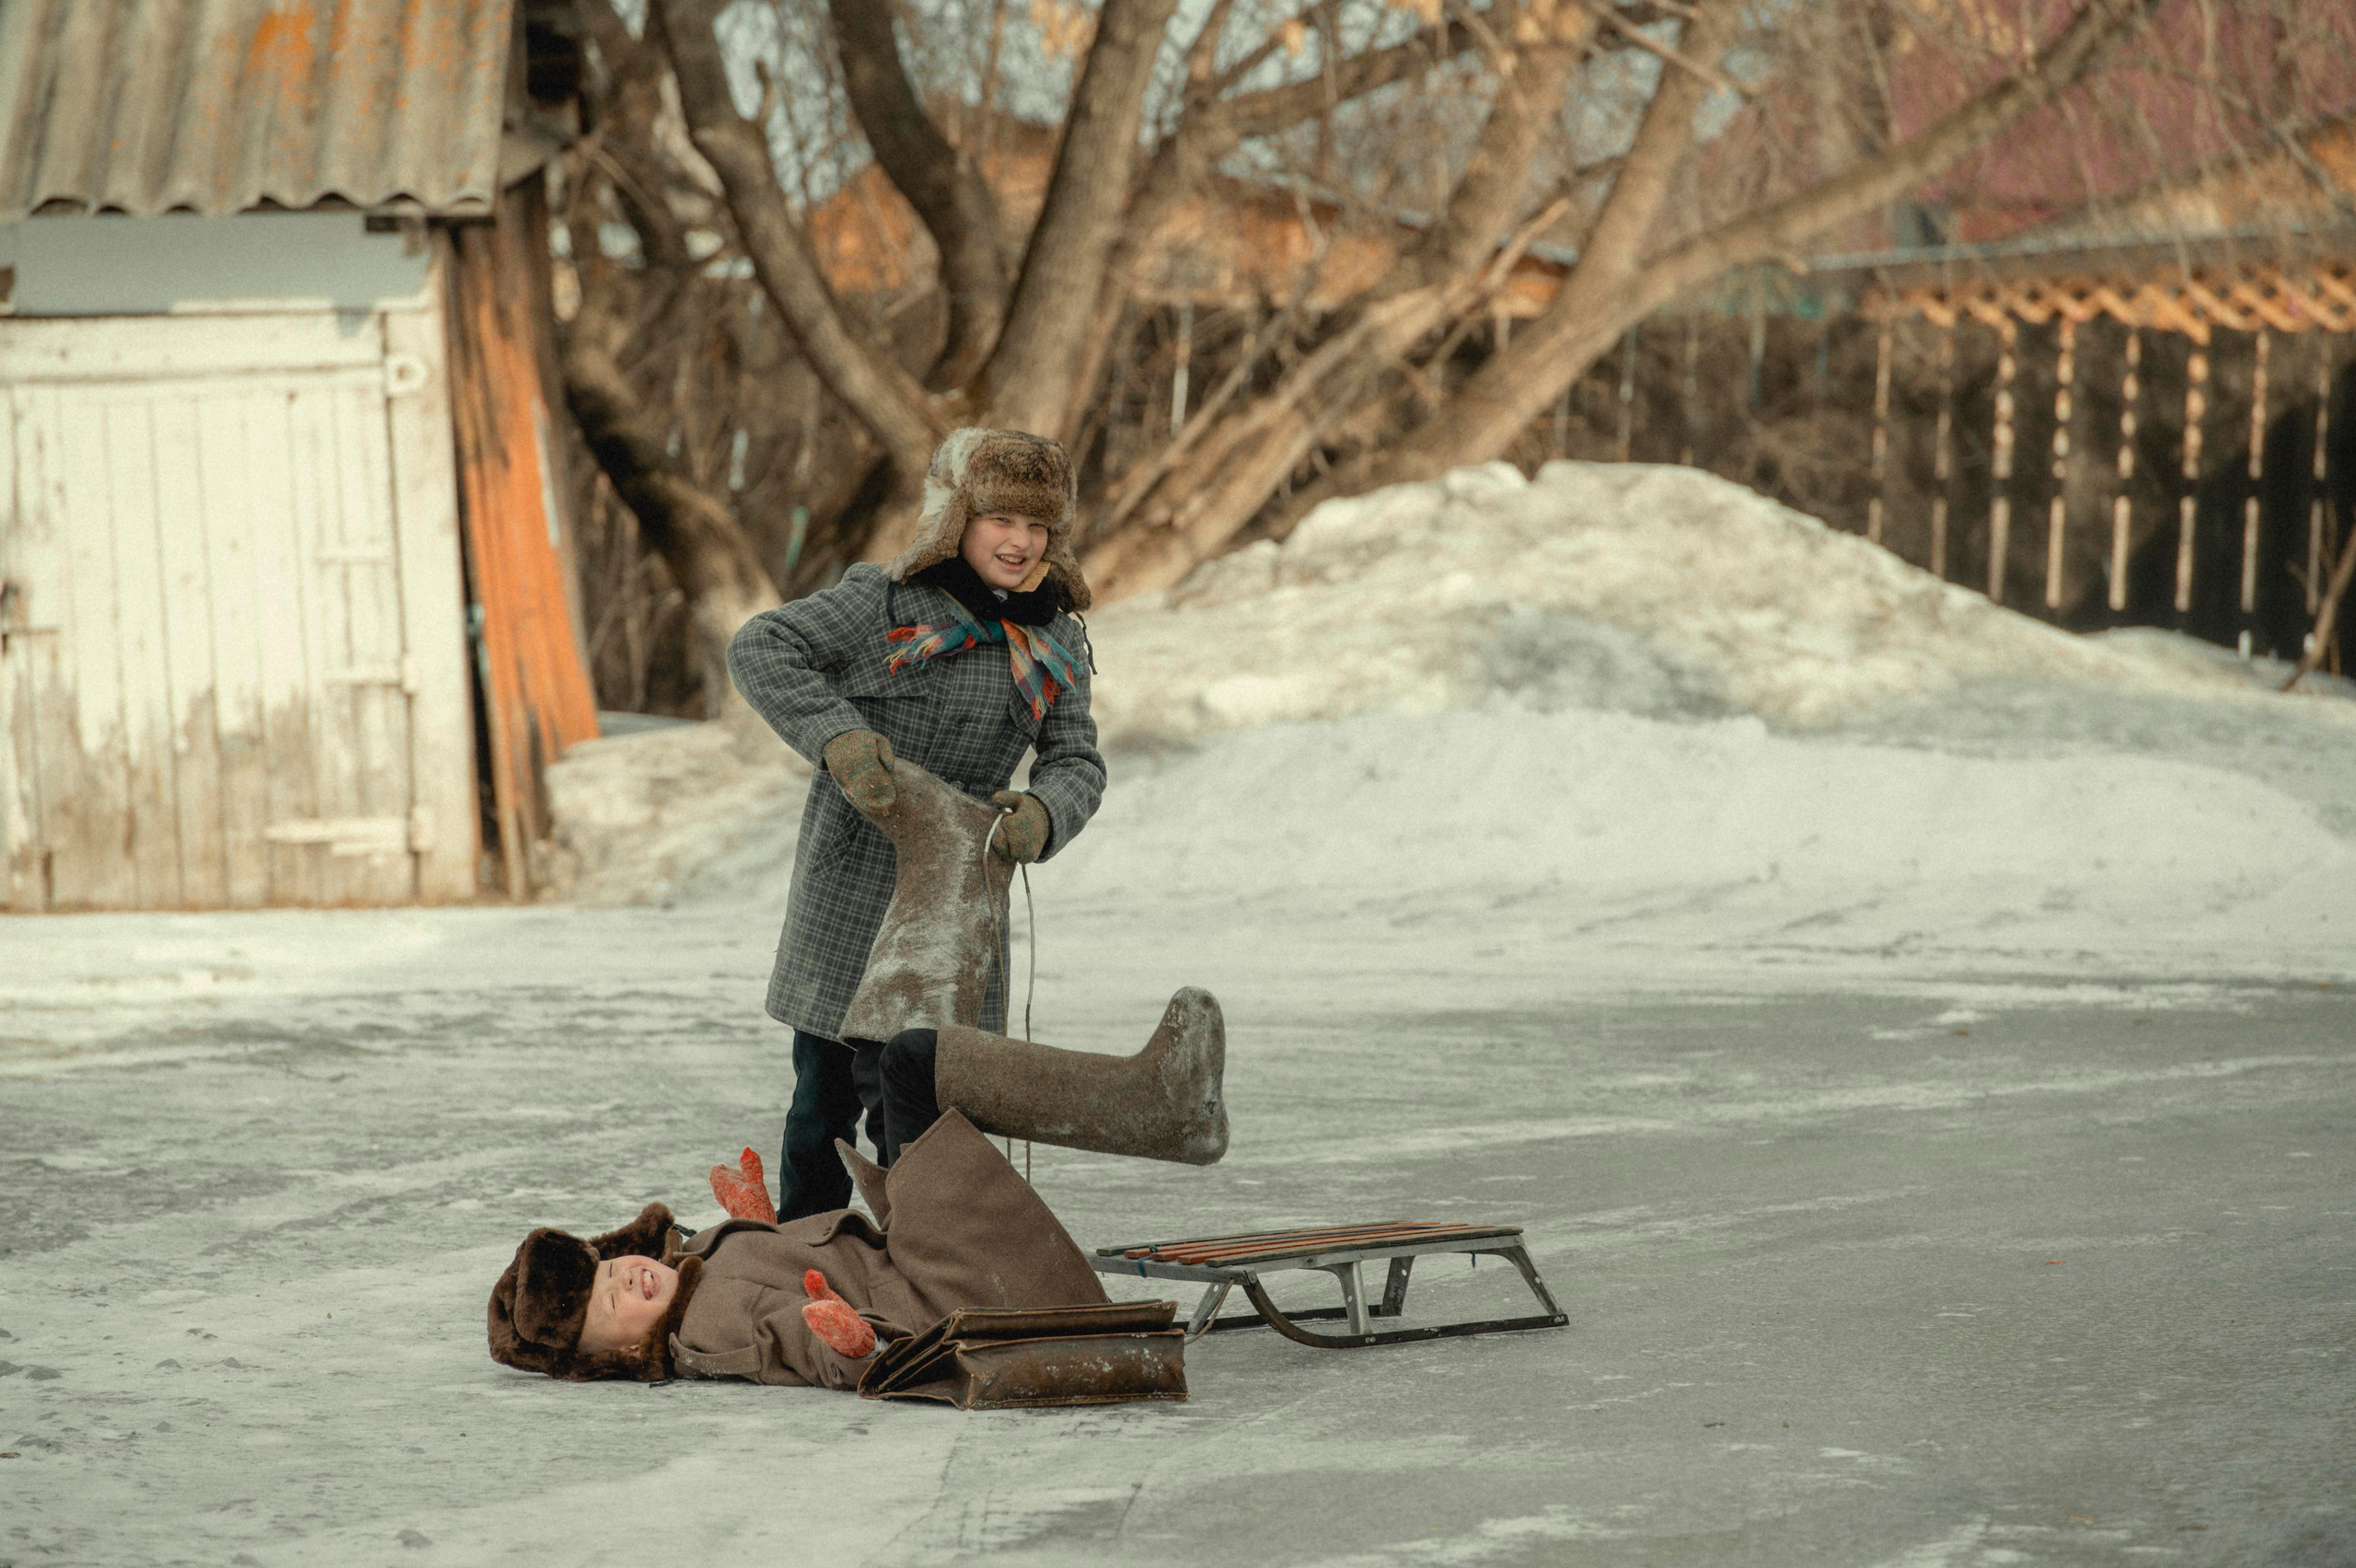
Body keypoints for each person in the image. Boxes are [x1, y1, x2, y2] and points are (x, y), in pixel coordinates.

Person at [727, 429, 1106, 1222]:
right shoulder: (884, 602)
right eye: (1002, 519)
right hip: (854, 891)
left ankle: (925, 1269)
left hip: (954, 904)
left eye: (1038, 527)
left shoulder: (1054, 638)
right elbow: (763, 645)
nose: (1021, 541)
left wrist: (1044, 812)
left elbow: (1077, 761)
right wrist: (837, 737)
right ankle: (808, 1262)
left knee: (922, 1115)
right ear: (958, 519)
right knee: (821, 1111)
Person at [486, 1112, 1112, 1388]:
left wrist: (761, 1226)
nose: (629, 1280)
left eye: (615, 1270)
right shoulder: (707, 1331)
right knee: (906, 1073)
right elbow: (793, 1345)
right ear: (625, 1350)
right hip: (943, 1295)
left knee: (903, 1071)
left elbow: (792, 1261)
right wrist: (856, 1347)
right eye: (613, 1303)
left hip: (912, 1259)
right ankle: (1129, 1100)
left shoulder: (695, 1258)